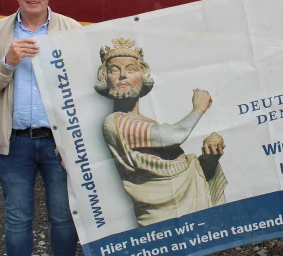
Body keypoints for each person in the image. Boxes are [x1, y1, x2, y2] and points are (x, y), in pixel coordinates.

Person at [0, 0, 80, 256]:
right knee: (17, 218)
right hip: (15, 142)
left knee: (64, 218)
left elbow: (83, 91)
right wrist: (7, 62)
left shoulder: (71, 29)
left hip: (58, 144)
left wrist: (75, 143)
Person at [94, 38, 227, 227]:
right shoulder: (115, 122)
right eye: (114, 70)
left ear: (142, 75)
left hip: (187, 208)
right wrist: (198, 108)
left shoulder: (148, 123)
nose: (123, 75)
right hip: (160, 219)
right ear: (104, 77)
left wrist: (210, 157)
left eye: (131, 69)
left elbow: (181, 170)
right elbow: (173, 135)